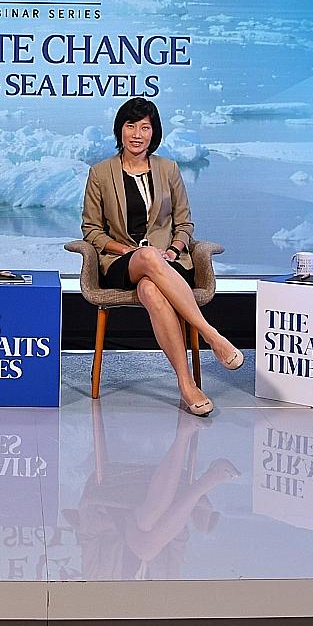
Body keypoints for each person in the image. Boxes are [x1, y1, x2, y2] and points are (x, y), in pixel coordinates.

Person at [81, 97, 243, 417]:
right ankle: (212, 335)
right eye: (131, 126)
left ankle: (186, 385)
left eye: (145, 127)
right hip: (121, 263)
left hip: (168, 263)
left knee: (152, 290)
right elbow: (91, 231)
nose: (137, 134)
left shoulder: (168, 169)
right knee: (147, 258)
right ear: (120, 130)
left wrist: (176, 249)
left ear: (154, 133)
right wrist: (129, 251)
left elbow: (184, 223)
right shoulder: (100, 173)